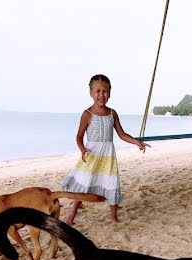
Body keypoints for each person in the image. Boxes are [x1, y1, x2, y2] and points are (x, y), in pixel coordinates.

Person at [62, 74, 149, 225]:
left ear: (110, 93)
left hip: (108, 156)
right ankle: (71, 214)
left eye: (105, 91)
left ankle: (114, 217)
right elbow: (79, 136)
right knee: (84, 185)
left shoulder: (112, 113)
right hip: (92, 155)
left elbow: (121, 134)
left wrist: (136, 142)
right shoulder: (87, 114)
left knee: (111, 183)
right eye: (98, 91)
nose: (102, 95)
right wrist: (82, 148)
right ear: (91, 93)